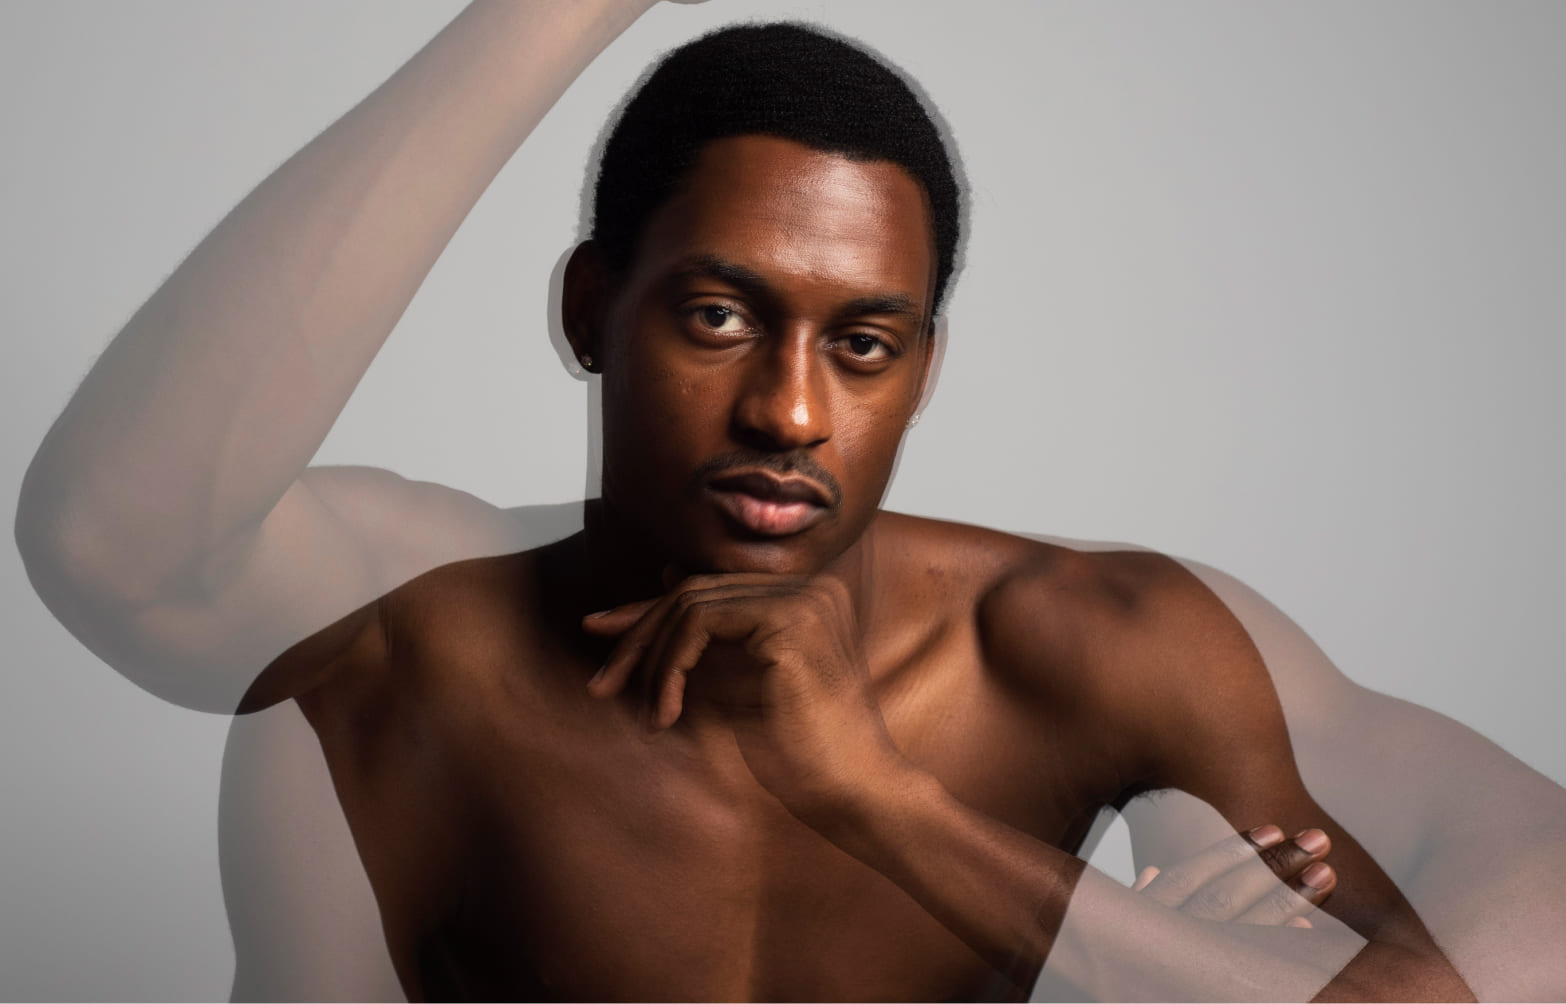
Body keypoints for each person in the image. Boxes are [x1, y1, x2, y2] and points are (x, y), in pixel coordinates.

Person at [13, 1, 1562, 999]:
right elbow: (111, 542)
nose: (791, 412)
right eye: (717, 316)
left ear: (923, 369)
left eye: (863, 344)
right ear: (588, 309)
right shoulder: (399, 639)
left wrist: (893, 811)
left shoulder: (1085, 643)